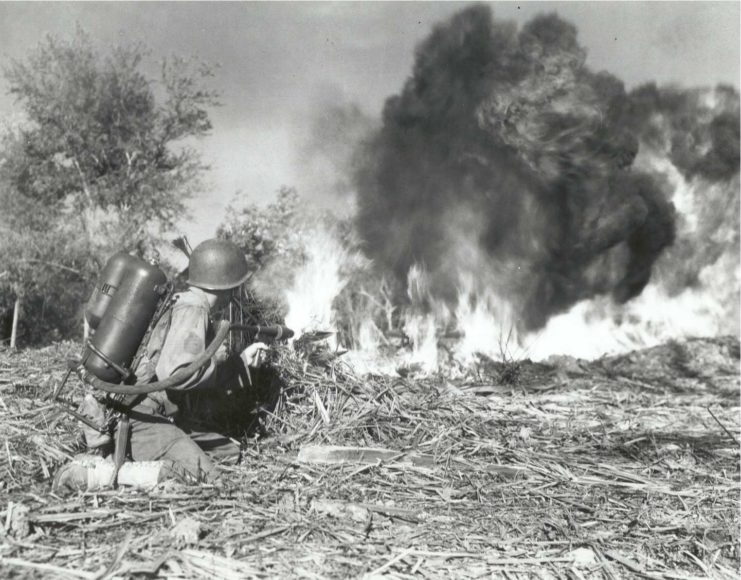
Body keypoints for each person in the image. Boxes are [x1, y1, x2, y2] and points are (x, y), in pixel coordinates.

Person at [54, 239, 267, 491]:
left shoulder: (181, 300)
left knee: (229, 451)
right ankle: (99, 475)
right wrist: (231, 363)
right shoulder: (194, 309)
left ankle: (138, 455)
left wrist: (238, 364)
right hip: (139, 418)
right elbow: (177, 374)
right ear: (227, 285)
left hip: (146, 411)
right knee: (205, 476)